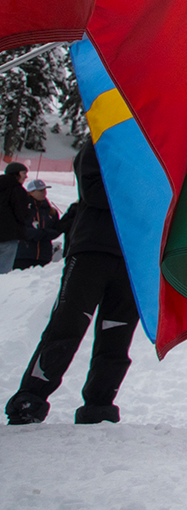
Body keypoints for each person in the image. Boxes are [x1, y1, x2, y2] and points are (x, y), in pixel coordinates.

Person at [6, 141, 137, 425]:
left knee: (117, 334)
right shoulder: (100, 143)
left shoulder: (153, 149)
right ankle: (31, 398)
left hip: (134, 256)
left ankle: (100, 405)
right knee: (66, 327)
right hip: (91, 251)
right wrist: (143, 189)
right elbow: (95, 192)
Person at [15, 178, 62, 269]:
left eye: (44, 190)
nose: (43, 192)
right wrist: (35, 234)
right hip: (23, 255)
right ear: (31, 192)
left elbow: (57, 229)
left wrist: (44, 234)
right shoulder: (21, 208)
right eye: (40, 190)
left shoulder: (51, 211)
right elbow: (17, 228)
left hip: (44, 256)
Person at [0, 161, 32, 274]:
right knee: (3, 272)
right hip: (9, 235)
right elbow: (21, 213)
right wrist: (29, 213)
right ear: (16, 174)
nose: (26, 176)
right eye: (24, 173)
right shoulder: (17, 190)